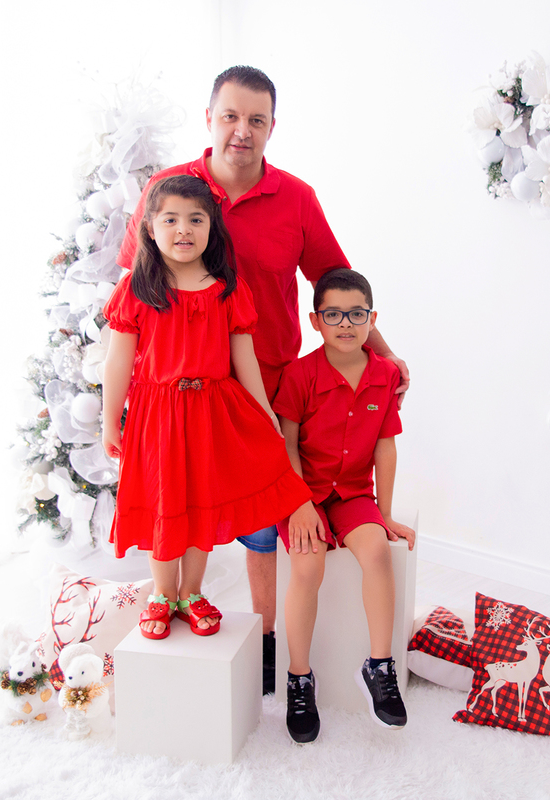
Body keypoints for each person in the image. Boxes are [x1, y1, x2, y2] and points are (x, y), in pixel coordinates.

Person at [117, 66, 409, 690]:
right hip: (182, 395)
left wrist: (382, 356)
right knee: (183, 504)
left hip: (267, 383)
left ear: (272, 127)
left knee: (264, 519)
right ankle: (176, 599)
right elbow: (133, 289)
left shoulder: (296, 197)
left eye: (256, 120)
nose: (241, 132)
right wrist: (126, 402)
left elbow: (335, 278)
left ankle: (270, 641)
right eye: (230, 116)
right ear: (209, 119)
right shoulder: (173, 191)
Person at [101, 174, 311, 640]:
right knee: (165, 505)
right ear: (150, 229)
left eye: (196, 219)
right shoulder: (138, 288)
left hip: (211, 414)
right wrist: (109, 419)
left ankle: (191, 592)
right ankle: (162, 593)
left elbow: (245, 361)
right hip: (157, 417)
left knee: (201, 506)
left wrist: (265, 415)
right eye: (170, 219)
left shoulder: (227, 289)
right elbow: (118, 361)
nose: (184, 229)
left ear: (212, 228)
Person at [273, 268, 416, 743]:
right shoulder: (300, 374)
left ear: (371, 319)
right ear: (316, 321)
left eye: (357, 314)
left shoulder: (385, 374)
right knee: (308, 567)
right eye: (333, 314)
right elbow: (287, 445)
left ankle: (379, 667)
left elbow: (385, 448)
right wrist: (298, 504)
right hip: (303, 494)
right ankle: (299, 678)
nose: (346, 324)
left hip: (354, 493)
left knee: (376, 551)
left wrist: (386, 511)